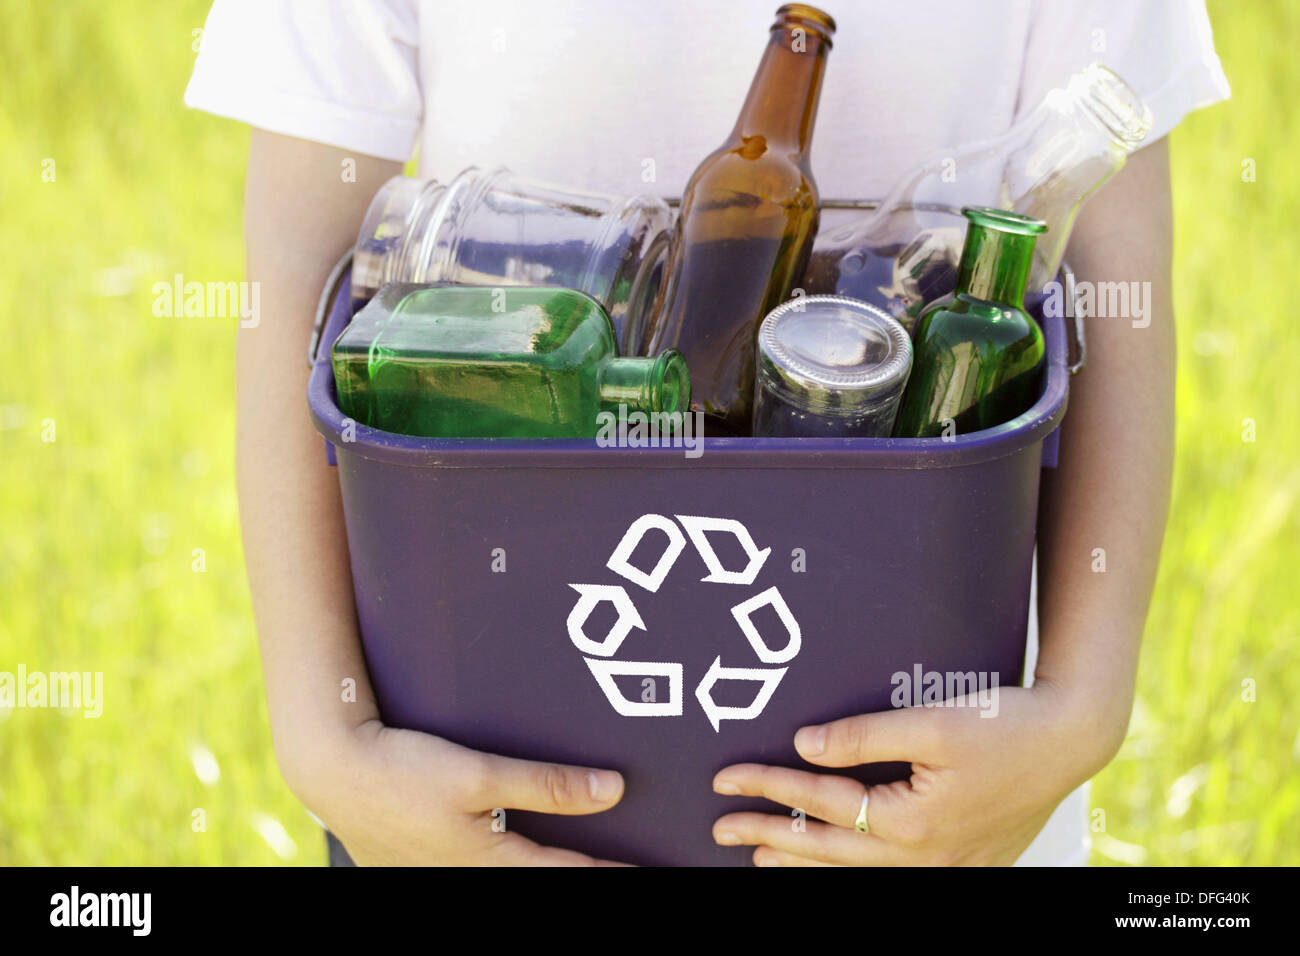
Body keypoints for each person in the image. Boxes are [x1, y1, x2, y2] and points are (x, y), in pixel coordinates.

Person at [185, 0, 1230, 865]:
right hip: (470, 785)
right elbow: (301, 276)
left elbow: (1117, 278)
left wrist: (1079, 715)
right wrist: (329, 747)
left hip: (928, 806)